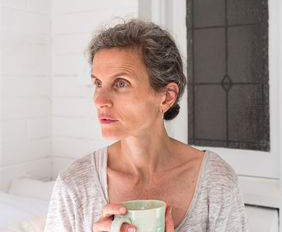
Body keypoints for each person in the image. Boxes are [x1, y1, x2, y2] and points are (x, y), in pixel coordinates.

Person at [44, 18, 248, 232]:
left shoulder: (216, 183)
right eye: (98, 83)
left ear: (167, 97)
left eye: (121, 83)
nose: (99, 100)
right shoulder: (75, 185)